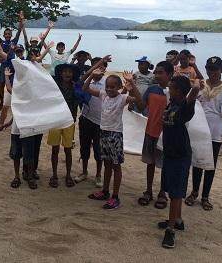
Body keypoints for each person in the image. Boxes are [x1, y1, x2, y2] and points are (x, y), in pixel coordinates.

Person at [184, 56, 222, 211]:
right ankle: (194, 192)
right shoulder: (201, 85)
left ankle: (205, 196)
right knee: (197, 162)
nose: (212, 72)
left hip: (216, 131)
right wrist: (195, 89)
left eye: (215, 69)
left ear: (221, 70)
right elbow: (191, 102)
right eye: (209, 69)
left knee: (210, 165)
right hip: (199, 130)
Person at [155, 76, 200, 249]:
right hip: (170, 154)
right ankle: (178, 220)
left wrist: (195, 83)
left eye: (172, 87)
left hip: (180, 156)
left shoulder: (185, 107)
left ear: (180, 91)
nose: (168, 89)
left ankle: (170, 230)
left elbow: (194, 91)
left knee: (176, 194)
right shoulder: (172, 104)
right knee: (174, 191)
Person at [84, 70, 134, 209]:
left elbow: (139, 101)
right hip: (103, 132)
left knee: (116, 166)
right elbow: (85, 88)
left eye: (113, 87)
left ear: (119, 87)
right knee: (107, 163)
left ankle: (115, 197)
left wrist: (132, 85)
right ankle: (105, 191)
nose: (109, 89)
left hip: (115, 135)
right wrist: (92, 76)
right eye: (107, 86)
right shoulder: (103, 95)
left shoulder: (122, 98)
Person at [129, 61, 174, 209]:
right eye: (156, 72)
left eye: (161, 73)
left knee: (166, 165)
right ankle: (148, 190)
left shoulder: (175, 91)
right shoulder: (152, 89)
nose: (157, 75)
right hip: (150, 131)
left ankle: (162, 192)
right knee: (150, 163)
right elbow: (142, 106)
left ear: (170, 74)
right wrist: (132, 85)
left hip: (166, 135)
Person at [74, 57, 108, 187]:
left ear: (105, 69)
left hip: (101, 122)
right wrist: (92, 74)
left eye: (102, 66)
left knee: (99, 150)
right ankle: (84, 172)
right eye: (95, 66)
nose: (99, 68)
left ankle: (99, 175)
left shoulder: (107, 83)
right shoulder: (86, 81)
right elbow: (81, 88)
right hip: (86, 118)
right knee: (84, 147)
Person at [4, 67, 41, 190]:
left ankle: (29, 176)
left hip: (29, 128)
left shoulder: (33, 94)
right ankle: (16, 176)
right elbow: (9, 89)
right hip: (16, 129)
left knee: (29, 155)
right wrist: (6, 76)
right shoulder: (17, 92)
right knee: (16, 155)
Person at [48, 63, 80, 188]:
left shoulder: (75, 87)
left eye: (70, 72)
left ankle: (68, 175)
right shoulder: (54, 86)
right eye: (65, 71)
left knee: (68, 149)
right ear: (60, 73)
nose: (67, 73)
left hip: (69, 121)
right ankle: (54, 175)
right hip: (55, 120)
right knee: (54, 149)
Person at [0, 13, 23, 110]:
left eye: (9, 34)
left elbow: (19, 31)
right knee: (2, 85)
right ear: (4, 35)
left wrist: (21, 20)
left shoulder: (14, 42)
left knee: (13, 85)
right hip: (3, 66)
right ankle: (1, 103)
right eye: (6, 34)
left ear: (11, 35)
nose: (8, 35)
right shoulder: (1, 41)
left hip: (12, 66)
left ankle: (13, 102)